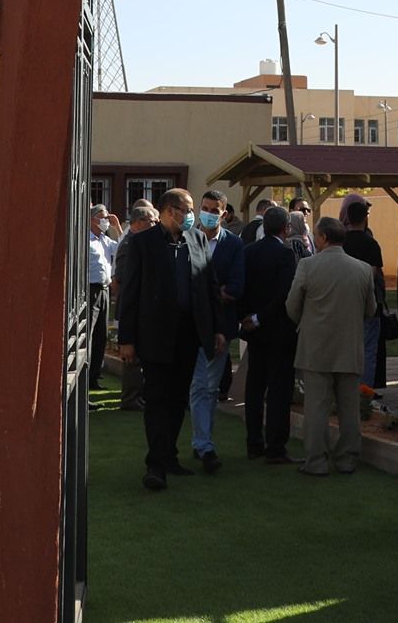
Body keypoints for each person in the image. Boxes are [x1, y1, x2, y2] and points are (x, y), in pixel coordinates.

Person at [116, 189, 228, 490]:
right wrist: (126, 339)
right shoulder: (142, 243)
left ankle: (168, 456)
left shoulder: (197, 240)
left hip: (189, 334)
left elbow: (210, 287)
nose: (191, 215)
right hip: (155, 334)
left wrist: (217, 329)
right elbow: (130, 292)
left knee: (178, 400)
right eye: (186, 209)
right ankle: (155, 465)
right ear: (169, 210)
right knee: (157, 399)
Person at [286, 217, 380, 476]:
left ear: (323, 238)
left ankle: (316, 461)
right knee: (349, 408)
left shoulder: (307, 265)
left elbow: (292, 305)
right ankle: (347, 459)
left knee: (316, 407)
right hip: (349, 346)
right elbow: (371, 309)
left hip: (315, 347)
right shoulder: (362, 269)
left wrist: (307, 322)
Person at [186, 189, 245, 473]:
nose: (208, 214)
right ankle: (204, 444)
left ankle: (203, 442)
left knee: (209, 388)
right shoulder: (186, 239)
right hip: (191, 326)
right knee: (200, 386)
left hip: (221, 326)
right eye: (205, 208)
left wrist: (207, 296)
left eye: (214, 210)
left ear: (224, 214)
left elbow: (236, 286)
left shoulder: (234, 244)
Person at [238, 206, 299, 463]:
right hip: (278, 331)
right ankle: (275, 447)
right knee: (278, 390)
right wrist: (260, 318)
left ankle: (253, 442)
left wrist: (247, 317)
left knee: (255, 387)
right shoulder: (285, 254)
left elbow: (241, 286)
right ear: (286, 228)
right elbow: (284, 294)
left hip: (254, 331)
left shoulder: (248, 251)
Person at [337, 195, 386, 385]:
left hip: (343, 302)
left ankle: (345, 387)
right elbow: (372, 274)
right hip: (367, 303)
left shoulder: (340, 242)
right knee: (368, 349)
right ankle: (364, 390)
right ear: (365, 217)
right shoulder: (371, 243)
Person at [113, 199, 156, 411]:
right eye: (151, 221)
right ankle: (130, 397)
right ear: (139, 222)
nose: (155, 225)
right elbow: (121, 276)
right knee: (131, 356)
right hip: (131, 306)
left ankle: (138, 394)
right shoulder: (130, 244)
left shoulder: (142, 242)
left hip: (141, 306)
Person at [86, 206, 118, 388]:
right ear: (92, 219)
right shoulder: (86, 240)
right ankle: (85, 376)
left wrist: (117, 228)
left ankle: (94, 376)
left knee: (101, 335)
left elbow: (122, 249)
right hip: (91, 289)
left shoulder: (105, 240)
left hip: (105, 290)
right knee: (89, 334)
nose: (106, 220)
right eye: (102, 217)